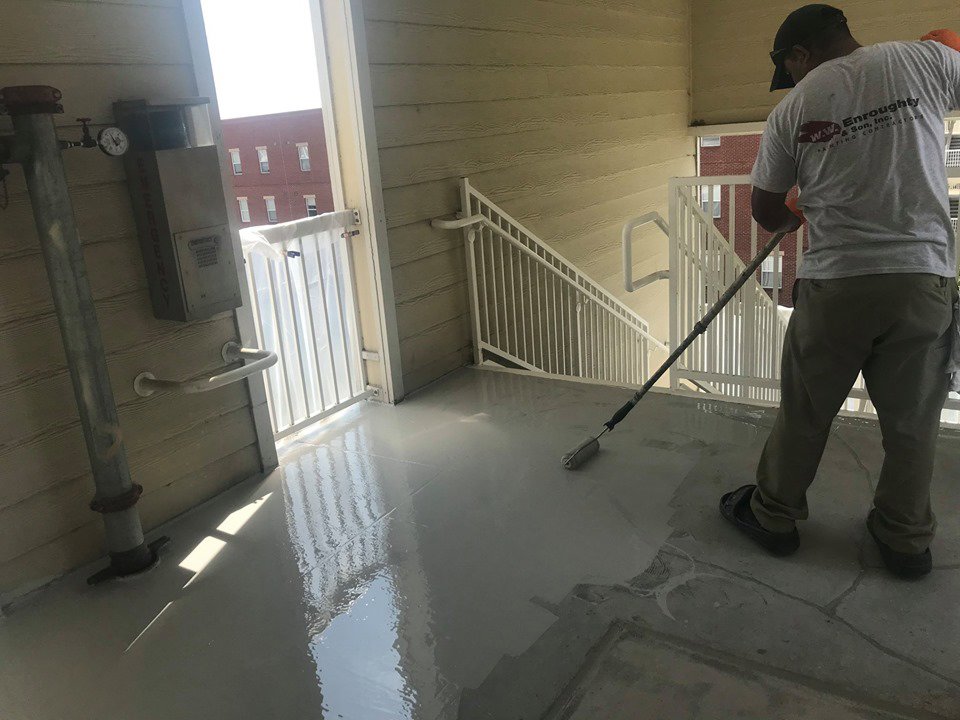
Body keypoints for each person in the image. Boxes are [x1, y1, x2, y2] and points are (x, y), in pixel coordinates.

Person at [719, 4, 960, 579]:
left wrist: (794, 211)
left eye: (790, 67)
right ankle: (903, 539)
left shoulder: (793, 109)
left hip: (836, 285)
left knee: (806, 410)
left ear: (799, 55)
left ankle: (773, 515)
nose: (794, 78)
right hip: (921, 276)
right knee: (912, 421)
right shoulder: (925, 60)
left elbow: (763, 210)